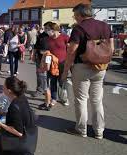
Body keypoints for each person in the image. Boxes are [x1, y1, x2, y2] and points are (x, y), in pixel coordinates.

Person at [61, 3, 114, 139]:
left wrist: (66, 71)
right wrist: (104, 63)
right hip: (100, 67)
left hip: (82, 67)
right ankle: (99, 131)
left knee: (81, 100)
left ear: (80, 15)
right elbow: (111, 49)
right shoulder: (105, 26)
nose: (74, 18)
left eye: (75, 15)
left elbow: (71, 52)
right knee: (97, 100)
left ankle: (81, 129)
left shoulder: (79, 28)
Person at [0, 76, 36, 155]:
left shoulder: (14, 106)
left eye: (4, 86)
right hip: (29, 134)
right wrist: (3, 113)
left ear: (9, 91)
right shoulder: (21, 97)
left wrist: (0, 124)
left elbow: (19, 133)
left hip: (22, 144)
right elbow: (18, 116)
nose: (2, 88)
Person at [46, 22, 70, 106]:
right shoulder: (49, 39)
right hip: (53, 64)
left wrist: (70, 62)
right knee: (53, 81)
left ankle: (64, 98)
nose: (47, 31)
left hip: (63, 63)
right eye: (47, 29)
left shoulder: (64, 37)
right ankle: (54, 98)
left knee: (62, 81)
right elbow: (48, 52)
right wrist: (47, 63)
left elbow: (70, 50)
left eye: (49, 29)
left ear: (55, 30)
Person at [31, 22, 52, 97]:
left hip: (50, 58)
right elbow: (36, 46)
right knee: (40, 75)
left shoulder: (53, 36)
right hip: (40, 58)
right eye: (45, 27)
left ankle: (47, 90)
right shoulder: (41, 35)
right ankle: (40, 90)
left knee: (49, 75)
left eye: (48, 28)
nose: (46, 29)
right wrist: (33, 55)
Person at [37, 40, 59, 111]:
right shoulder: (46, 54)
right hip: (44, 74)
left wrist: (40, 70)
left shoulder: (48, 56)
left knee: (46, 89)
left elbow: (47, 67)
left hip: (44, 75)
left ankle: (47, 104)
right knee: (46, 89)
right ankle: (47, 102)